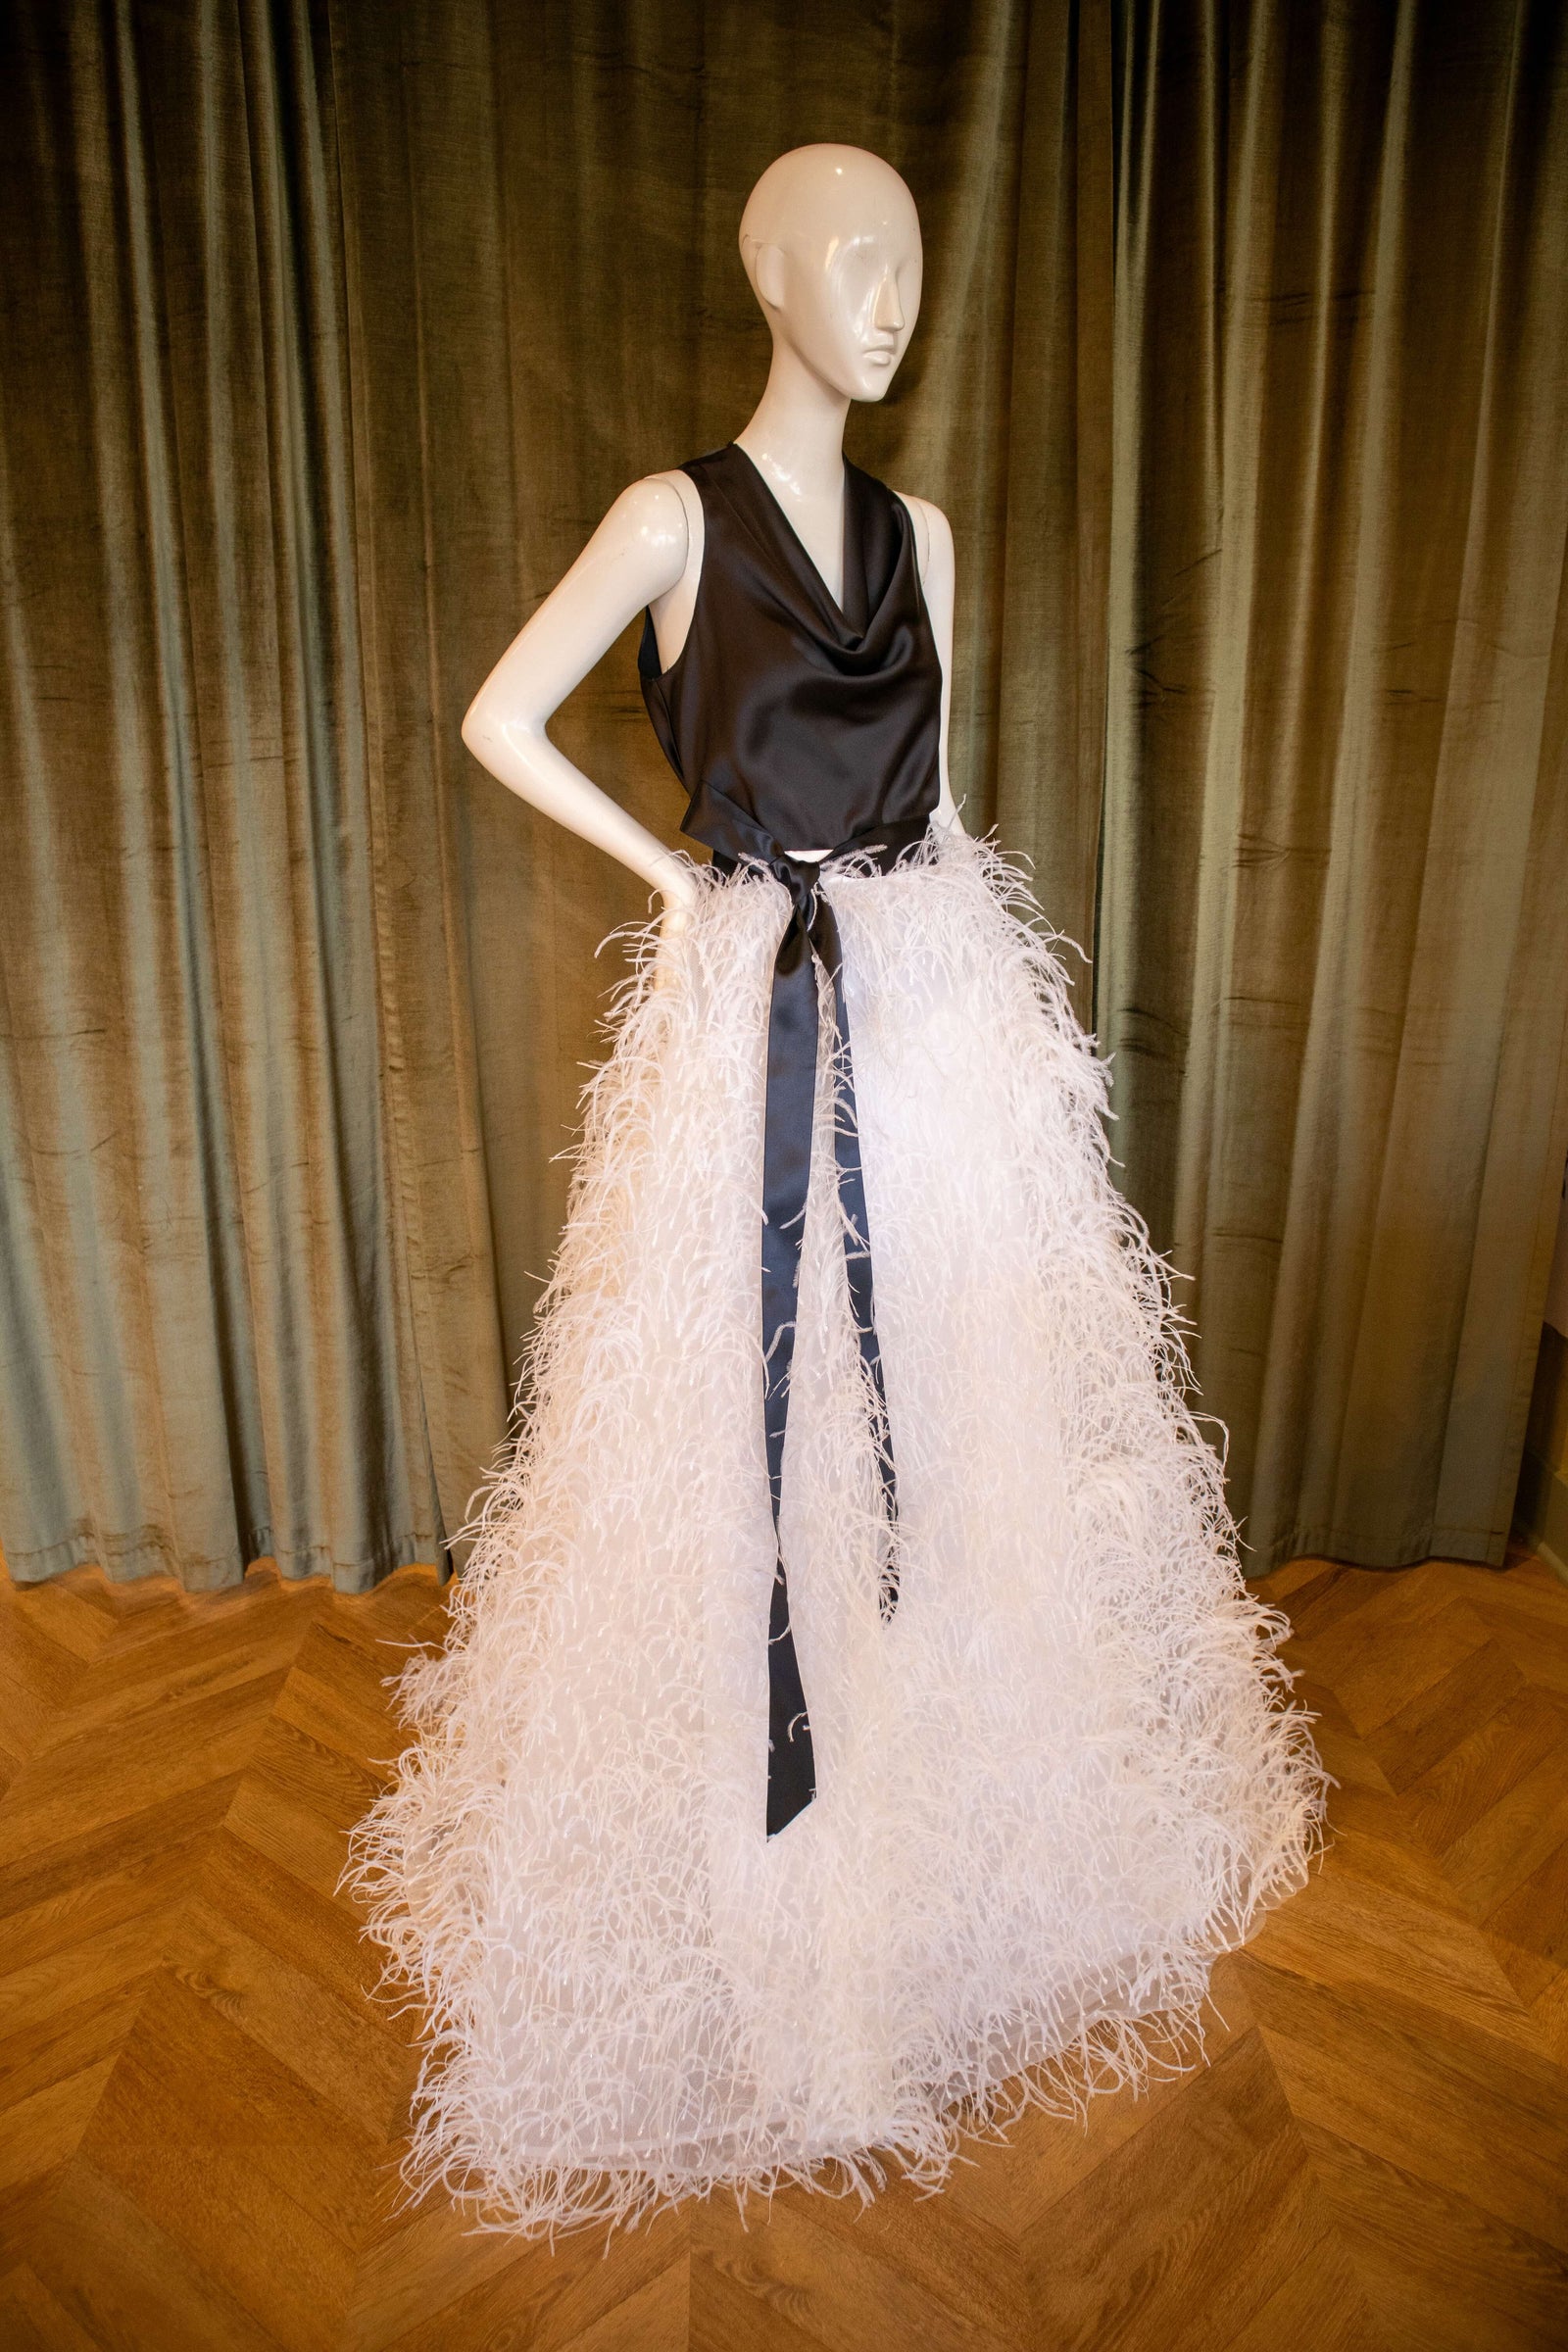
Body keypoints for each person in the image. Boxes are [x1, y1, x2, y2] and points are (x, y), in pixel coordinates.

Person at [348, 143, 1327, 2240]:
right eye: (846, 259)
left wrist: (985, 1046)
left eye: (904, 259)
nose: (887, 297)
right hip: (750, 1013)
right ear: (766, 275)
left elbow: (943, 797)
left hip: (925, 1005)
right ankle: (756, 1882)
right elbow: (496, 716)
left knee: (951, 1408)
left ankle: (941, 1860)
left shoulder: (923, 535)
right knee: (741, 1411)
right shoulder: (664, 517)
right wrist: (678, 888)